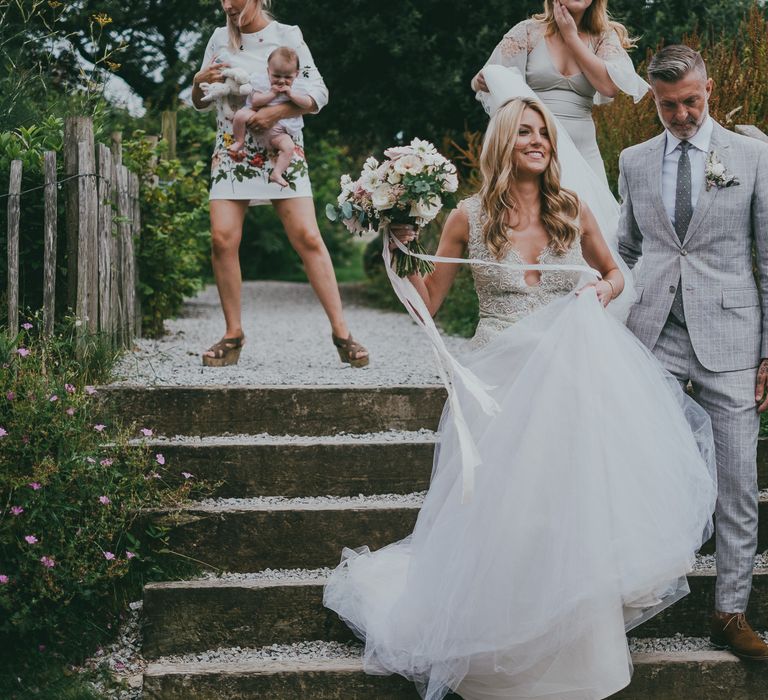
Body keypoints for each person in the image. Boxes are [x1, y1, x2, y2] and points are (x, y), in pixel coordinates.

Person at [324, 80, 717, 699]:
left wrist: (601, 292)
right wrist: (400, 253)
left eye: (543, 132)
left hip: (569, 376)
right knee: (506, 511)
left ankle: (570, 643)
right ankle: (497, 638)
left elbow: (616, 272)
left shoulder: (569, 208)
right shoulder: (469, 217)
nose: (537, 141)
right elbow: (429, 302)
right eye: (525, 132)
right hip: (497, 378)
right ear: (504, 143)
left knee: (565, 505)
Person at [617, 44, 768, 661]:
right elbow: (626, 250)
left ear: (707, 90)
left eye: (690, 102)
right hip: (652, 336)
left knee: (736, 479)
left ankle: (730, 612)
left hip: (732, 340)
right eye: (667, 104)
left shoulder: (754, 157)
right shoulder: (632, 160)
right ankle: (624, 598)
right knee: (630, 465)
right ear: (652, 97)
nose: (680, 115)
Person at [191, 0, 369, 368]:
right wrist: (197, 82)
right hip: (233, 149)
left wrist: (275, 111)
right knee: (223, 238)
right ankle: (233, 334)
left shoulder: (287, 36)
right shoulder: (217, 39)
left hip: (281, 148)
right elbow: (202, 103)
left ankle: (342, 334)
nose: (227, 4)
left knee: (306, 237)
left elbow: (319, 93)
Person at [472, 0, 648, 185]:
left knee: (590, 211)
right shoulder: (528, 31)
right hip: (534, 148)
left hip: (583, 150)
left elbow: (609, 87)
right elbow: (485, 79)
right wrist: (484, 78)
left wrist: (571, 37)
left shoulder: (603, 37)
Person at [228, 46, 313, 188]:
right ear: (268, 71)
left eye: (287, 77)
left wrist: (291, 95)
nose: (281, 81)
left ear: (296, 74)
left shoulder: (298, 87)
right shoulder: (262, 81)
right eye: (276, 76)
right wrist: (272, 94)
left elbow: (307, 104)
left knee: (289, 147)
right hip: (255, 114)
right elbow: (255, 101)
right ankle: (239, 141)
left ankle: (277, 173)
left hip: (279, 131)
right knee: (240, 115)